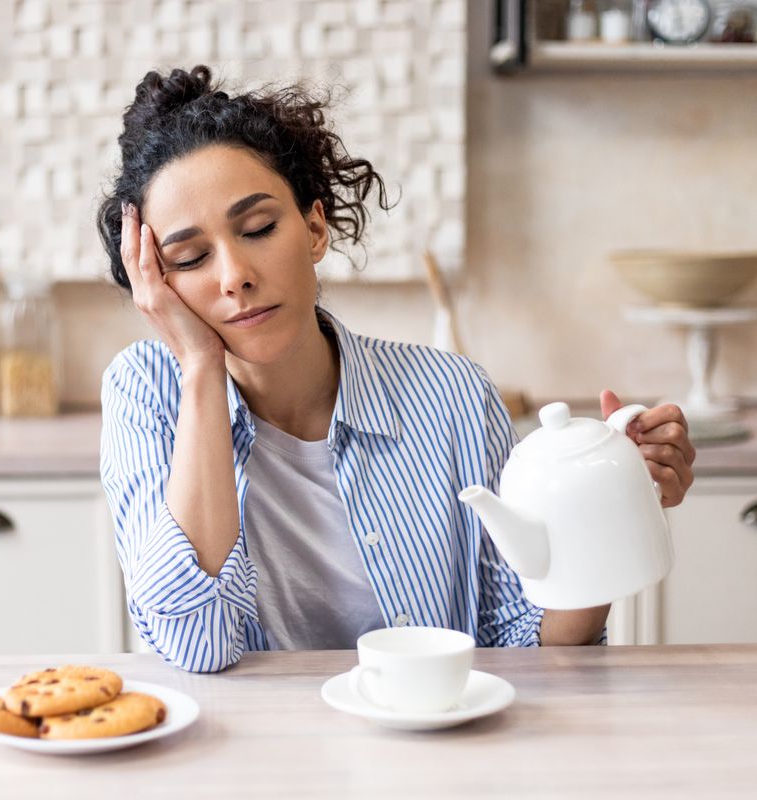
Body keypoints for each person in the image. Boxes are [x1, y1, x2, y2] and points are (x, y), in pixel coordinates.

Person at [96, 66, 695, 673]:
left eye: (258, 228)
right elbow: (197, 643)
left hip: (434, 750)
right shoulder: (145, 391)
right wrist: (199, 366)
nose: (234, 277)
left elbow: (526, 649)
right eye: (191, 257)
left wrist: (607, 506)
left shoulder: (453, 394)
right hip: (251, 759)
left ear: (314, 228)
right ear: (157, 282)